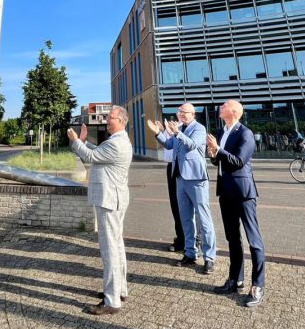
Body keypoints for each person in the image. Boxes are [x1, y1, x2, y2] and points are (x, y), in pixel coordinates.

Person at [67, 106, 132, 315]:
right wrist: (84, 141)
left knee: (109, 249)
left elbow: (91, 157)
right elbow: (97, 152)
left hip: (109, 201)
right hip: (115, 200)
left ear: (121, 120)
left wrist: (76, 140)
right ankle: (120, 290)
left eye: (110, 117)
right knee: (117, 245)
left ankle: (112, 301)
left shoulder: (116, 144)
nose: (106, 121)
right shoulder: (118, 141)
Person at [206, 100, 266, 308]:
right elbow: (220, 160)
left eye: (224, 106)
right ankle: (235, 280)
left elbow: (239, 161)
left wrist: (218, 150)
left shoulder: (245, 133)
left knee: (253, 240)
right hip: (225, 192)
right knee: (233, 238)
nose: (220, 108)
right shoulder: (222, 132)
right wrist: (213, 154)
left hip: (243, 192)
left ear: (233, 111)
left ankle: (258, 285)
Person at [148, 103, 216, 274]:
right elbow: (169, 145)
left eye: (184, 112)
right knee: (186, 218)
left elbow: (192, 145)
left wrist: (177, 133)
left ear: (192, 114)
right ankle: (190, 253)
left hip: (196, 178)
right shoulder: (181, 129)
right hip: (179, 178)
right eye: (179, 112)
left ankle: (209, 257)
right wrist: (157, 132)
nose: (181, 115)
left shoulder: (199, 128)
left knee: (204, 218)